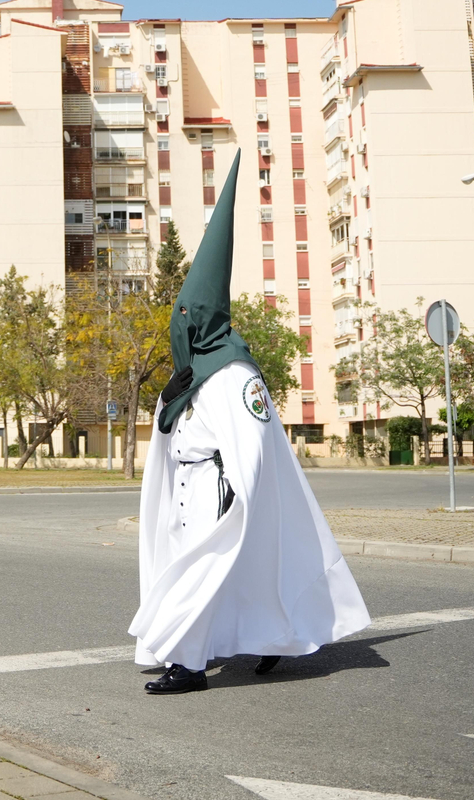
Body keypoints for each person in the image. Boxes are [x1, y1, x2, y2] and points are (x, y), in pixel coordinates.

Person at [130, 155, 371, 694]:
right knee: (220, 577)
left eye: (185, 319)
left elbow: (255, 445)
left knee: (204, 573)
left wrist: (240, 500)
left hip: (217, 494)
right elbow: (179, 432)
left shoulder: (235, 373)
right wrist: (165, 412)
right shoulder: (197, 374)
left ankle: (188, 667)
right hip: (191, 491)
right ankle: (262, 640)